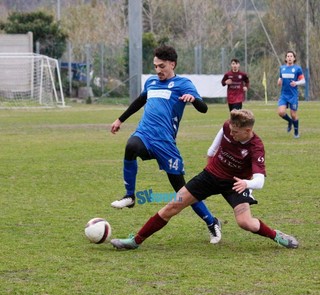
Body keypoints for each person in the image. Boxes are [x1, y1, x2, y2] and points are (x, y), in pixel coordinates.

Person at [111, 109, 299, 250]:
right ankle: (135, 241)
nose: (231, 134)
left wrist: (246, 184)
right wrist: (210, 159)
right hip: (209, 176)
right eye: (231, 130)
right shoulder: (228, 126)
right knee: (172, 206)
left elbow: (260, 180)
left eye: (236, 132)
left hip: (235, 183)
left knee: (245, 223)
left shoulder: (256, 147)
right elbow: (214, 146)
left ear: (248, 130)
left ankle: (277, 236)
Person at [110, 45, 221, 244]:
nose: (158, 70)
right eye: (155, 66)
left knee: (183, 193)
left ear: (172, 64)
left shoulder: (183, 84)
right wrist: (120, 120)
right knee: (131, 146)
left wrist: (193, 99)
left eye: (162, 66)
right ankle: (130, 196)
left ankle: (212, 221)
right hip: (145, 135)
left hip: (166, 144)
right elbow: (139, 101)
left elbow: (203, 108)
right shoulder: (152, 82)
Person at [277, 50, 305, 139]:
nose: (289, 58)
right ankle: (290, 122)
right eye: (288, 56)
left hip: (293, 95)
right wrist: (279, 81)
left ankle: (296, 132)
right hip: (284, 95)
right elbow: (280, 78)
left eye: (291, 56)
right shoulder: (282, 68)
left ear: (294, 58)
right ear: (285, 58)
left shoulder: (297, 69)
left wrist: (296, 83)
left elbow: (303, 81)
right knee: (281, 112)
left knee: (293, 115)